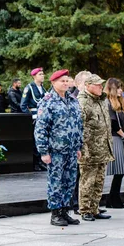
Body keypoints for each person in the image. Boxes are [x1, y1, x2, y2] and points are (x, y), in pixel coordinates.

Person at [35, 70, 83, 226]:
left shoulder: (73, 100)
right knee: (56, 182)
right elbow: (41, 129)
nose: (66, 83)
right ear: (53, 82)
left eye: (67, 80)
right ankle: (55, 213)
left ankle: (65, 211)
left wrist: (78, 147)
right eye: (62, 81)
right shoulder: (48, 101)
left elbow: (78, 125)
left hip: (71, 149)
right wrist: (43, 151)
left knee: (69, 182)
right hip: (56, 150)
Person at [77, 74, 114, 222]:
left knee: (99, 180)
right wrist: (83, 148)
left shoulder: (101, 100)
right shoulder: (83, 102)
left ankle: (94, 208)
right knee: (88, 181)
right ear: (88, 85)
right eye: (97, 85)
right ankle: (85, 210)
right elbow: (80, 127)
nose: (100, 87)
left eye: (101, 84)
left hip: (102, 148)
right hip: (89, 150)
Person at [105, 78, 124, 209]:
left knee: (120, 171)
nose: (121, 90)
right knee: (118, 170)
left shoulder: (119, 103)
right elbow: (114, 124)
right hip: (115, 138)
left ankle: (113, 198)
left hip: (121, 137)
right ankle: (113, 198)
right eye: (118, 87)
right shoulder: (108, 103)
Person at [70, 70, 92, 213]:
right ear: (78, 85)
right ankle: (76, 204)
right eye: (86, 83)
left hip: (92, 143)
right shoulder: (73, 100)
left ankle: (89, 204)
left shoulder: (93, 99)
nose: (89, 85)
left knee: (90, 176)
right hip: (79, 144)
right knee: (78, 175)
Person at [22, 68, 47, 171]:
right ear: (34, 76)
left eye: (43, 74)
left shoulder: (43, 88)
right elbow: (23, 105)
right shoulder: (29, 88)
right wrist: (29, 117)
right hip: (34, 118)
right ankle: (36, 163)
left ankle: (42, 161)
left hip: (44, 117)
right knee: (35, 141)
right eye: (40, 74)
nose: (43, 76)